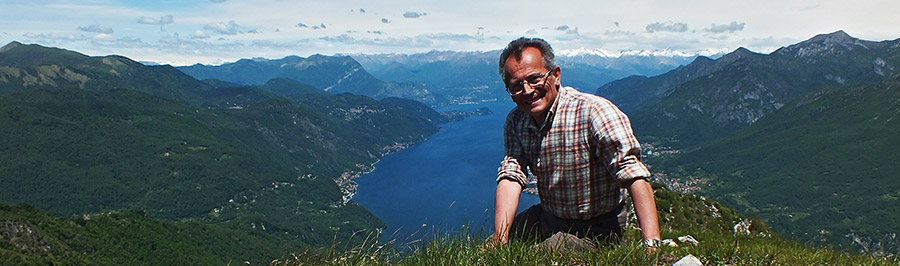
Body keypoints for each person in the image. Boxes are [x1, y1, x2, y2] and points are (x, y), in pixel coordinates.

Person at [490, 37, 661, 249]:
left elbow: (632, 173)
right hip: (551, 216)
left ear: (555, 76)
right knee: (506, 240)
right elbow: (511, 175)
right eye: (517, 85)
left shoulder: (594, 112)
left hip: (597, 227)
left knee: (534, 256)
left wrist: (652, 244)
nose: (527, 90)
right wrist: (499, 238)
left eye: (534, 79)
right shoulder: (516, 121)